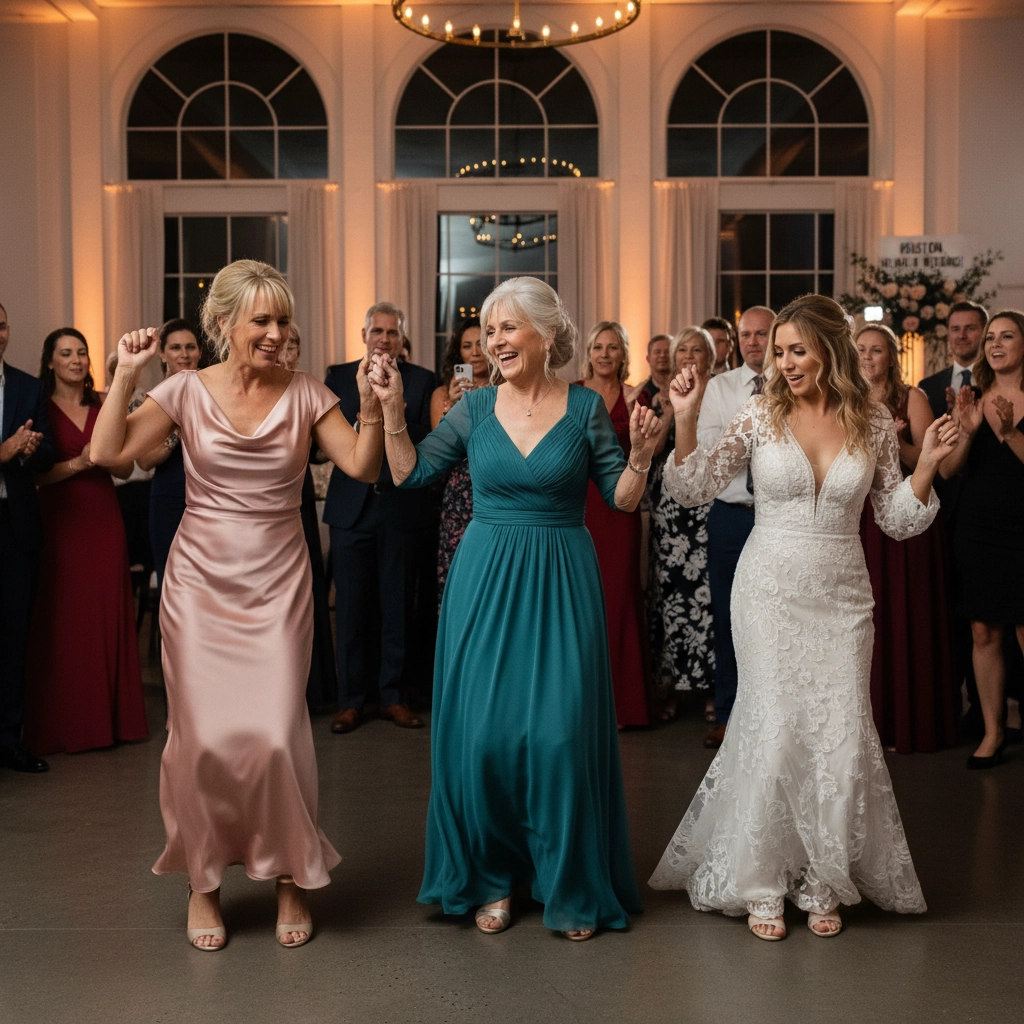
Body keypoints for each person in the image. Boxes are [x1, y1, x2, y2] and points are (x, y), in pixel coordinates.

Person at [91, 259, 385, 951]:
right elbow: (110, 455)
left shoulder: (310, 393)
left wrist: (372, 408)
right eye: (262, 320)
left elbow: (363, 467)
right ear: (225, 324)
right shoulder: (185, 391)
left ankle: (289, 876)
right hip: (199, 584)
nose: (277, 332)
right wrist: (128, 374)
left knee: (278, 736)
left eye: (283, 319)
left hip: (279, 579)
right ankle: (204, 884)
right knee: (202, 742)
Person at [650, 294, 959, 941]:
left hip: (844, 596)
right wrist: (685, 420)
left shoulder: (873, 422)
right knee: (777, 726)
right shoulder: (759, 415)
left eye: (796, 350)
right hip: (767, 589)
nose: (783, 362)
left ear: (830, 350)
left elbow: (897, 519)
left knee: (842, 732)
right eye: (779, 351)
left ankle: (823, 878)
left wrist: (926, 465)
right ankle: (761, 881)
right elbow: (694, 486)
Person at [368, 277, 661, 940]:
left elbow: (620, 497)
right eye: (490, 329)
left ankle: (568, 881)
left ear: (547, 335)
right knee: (484, 739)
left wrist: (642, 455)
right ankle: (491, 875)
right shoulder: (472, 411)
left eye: (507, 327)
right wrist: (390, 411)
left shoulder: (584, 407)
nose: (494, 340)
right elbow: (410, 473)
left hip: (562, 577)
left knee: (559, 737)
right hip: (486, 579)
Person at [23, 329, 148, 756]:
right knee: (64, 620)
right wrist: (80, 461)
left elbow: (127, 469)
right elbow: (37, 477)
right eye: (66, 354)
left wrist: (108, 456)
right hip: (60, 521)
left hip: (104, 520)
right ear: (51, 362)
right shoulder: (39, 406)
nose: (76, 360)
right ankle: (69, 724)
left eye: (81, 353)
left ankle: (112, 724)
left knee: (106, 615)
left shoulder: (103, 403)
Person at [323, 302, 435, 734]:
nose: (384, 339)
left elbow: (427, 441)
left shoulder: (423, 381)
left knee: (397, 608)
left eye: (392, 332)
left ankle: (393, 697)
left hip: (403, 508)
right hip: (352, 509)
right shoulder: (337, 377)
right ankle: (351, 701)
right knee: (351, 609)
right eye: (377, 331)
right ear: (364, 334)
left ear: (402, 338)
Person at [855, 324, 957, 753]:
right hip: (859, 517)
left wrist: (895, 442)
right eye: (860, 349)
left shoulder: (911, 397)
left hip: (905, 512)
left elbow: (933, 461)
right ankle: (867, 724)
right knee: (867, 618)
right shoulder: (845, 399)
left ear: (891, 358)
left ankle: (906, 722)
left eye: (876, 350)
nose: (867, 357)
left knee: (903, 613)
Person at [939, 309, 1024, 768]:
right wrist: (968, 432)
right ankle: (992, 733)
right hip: (979, 528)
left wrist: (1009, 432)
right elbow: (948, 471)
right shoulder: (973, 398)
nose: (994, 343)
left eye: (1006, 336)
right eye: (990, 336)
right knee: (982, 629)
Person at [697, 305, 773, 748]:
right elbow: (709, 444)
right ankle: (728, 713)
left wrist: (739, 439)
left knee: (773, 619)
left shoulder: (793, 387)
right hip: (731, 514)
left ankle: (771, 716)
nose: (752, 341)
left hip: (779, 515)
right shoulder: (720, 387)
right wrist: (753, 436)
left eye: (762, 334)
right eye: (746, 334)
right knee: (728, 615)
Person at [918, 300, 988, 733]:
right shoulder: (928, 385)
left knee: (988, 617)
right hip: (943, 509)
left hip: (987, 506)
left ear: (982, 332)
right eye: (955, 329)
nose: (962, 336)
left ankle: (988, 710)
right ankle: (959, 703)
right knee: (953, 611)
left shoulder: (995, 382)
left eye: (970, 328)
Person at [579, 321, 648, 728]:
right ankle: (582, 707)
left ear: (623, 354)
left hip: (621, 508)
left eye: (613, 348)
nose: (605, 354)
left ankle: (624, 706)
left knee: (620, 597)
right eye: (598, 347)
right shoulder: (570, 392)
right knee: (581, 599)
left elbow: (647, 450)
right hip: (578, 504)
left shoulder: (637, 397)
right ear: (588, 352)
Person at [646, 327, 717, 722]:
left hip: (709, 501)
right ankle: (672, 688)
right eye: (683, 350)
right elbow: (653, 451)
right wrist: (672, 411)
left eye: (697, 349)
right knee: (671, 594)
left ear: (711, 356)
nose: (689, 355)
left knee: (707, 594)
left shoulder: (722, 392)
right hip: (670, 506)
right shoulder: (662, 398)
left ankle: (710, 691)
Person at [0, 301, 55, 774]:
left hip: (15, 525)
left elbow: (48, 451)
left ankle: (9, 739)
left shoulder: (28, 386)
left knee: (14, 636)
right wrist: (5, 450)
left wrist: (31, 449)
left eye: (0, 324)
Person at [279, 323, 336, 709]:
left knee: (308, 589)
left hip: (295, 498)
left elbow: (320, 454)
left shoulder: (307, 390)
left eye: (295, 343)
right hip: (262, 504)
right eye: (286, 342)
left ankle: (313, 691)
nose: (289, 349)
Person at [136, 320, 200, 590]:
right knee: (172, 583)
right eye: (175, 348)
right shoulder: (153, 399)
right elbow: (145, 460)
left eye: (190, 347)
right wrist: (177, 431)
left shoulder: (215, 393)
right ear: (162, 354)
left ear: (199, 352)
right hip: (169, 500)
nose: (184, 354)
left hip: (212, 498)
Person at [431, 316, 486, 606]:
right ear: (458, 353)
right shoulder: (443, 393)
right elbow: (437, 453)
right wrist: (452, 408)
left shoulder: (506, 391)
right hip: (459, 496)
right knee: (460, 583)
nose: (475, 351)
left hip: (499, 489)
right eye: (467, 346)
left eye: (481, 343)